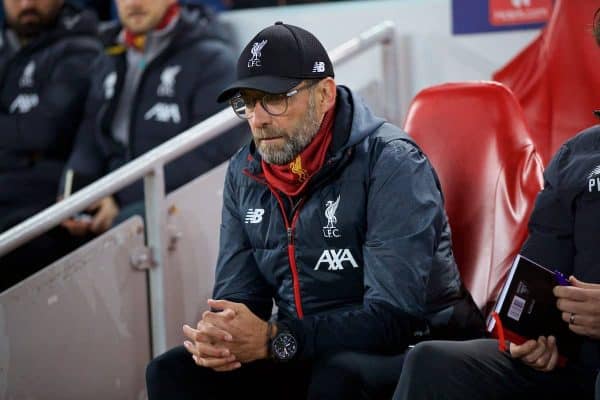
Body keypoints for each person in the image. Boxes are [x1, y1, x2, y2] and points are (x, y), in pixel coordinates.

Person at [145, 22, 484, 400]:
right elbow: (240, 297)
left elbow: (394, 316)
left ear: (324, 94)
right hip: (304, 344)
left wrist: (276, 340)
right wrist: (224, 333)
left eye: (274, 98)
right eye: (247, 101)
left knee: (338, 376)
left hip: (418, 344)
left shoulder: (391, 163)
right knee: (172, 372)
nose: (258, 119)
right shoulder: (245, 172)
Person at [393, 10, 600, 400]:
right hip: (572, 361)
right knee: (430, 362)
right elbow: (539, 270)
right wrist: (536, 338)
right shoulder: (578, 154)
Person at [61, 0, 245, 236]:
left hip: (179, 203)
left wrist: (118, 198)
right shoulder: (109, 54)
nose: (134, 3)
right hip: (115, 195)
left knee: (130, 227)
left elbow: (207, 154)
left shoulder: (212, 58)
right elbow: (89, 133)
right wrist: (76, 194)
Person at [0, 0, 101, 288]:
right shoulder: (7, 47)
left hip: (43, 197)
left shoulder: (82, 47)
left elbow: (42, 132)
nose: (27, 4)